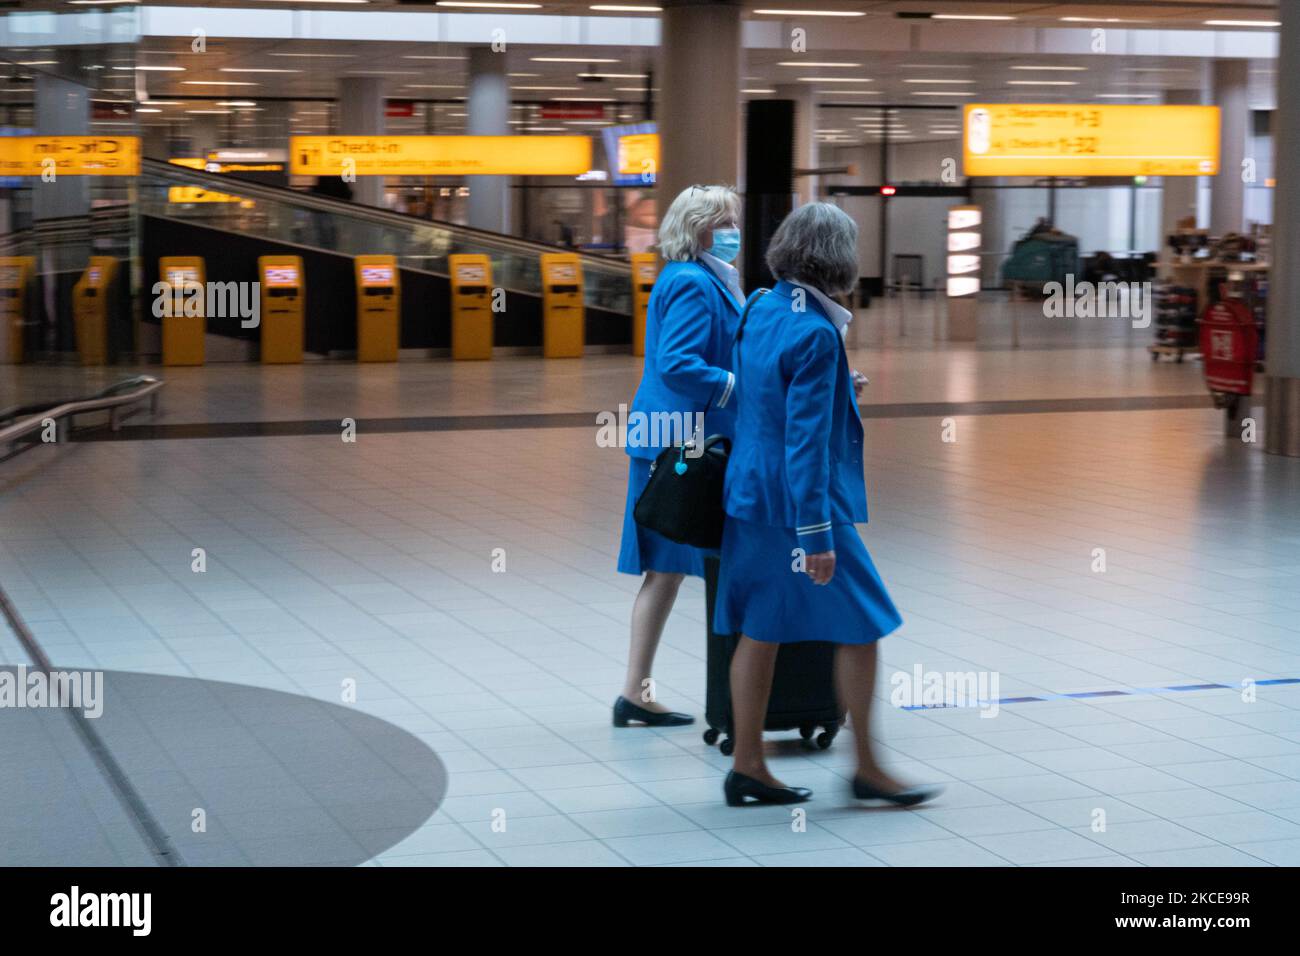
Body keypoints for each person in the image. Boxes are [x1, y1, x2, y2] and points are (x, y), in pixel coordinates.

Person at [714, 202, 941, 807]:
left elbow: (763, 390)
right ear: (841, 260)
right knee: (863, 624)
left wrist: (840, 382)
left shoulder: (762, 306)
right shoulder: (817, 332)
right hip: (798, 507)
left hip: (749, 493)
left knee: (759, 631)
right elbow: (806, 442)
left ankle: (748, 766)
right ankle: (867, 767)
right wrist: (816, 534)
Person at [614, 184, 745, 728]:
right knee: (666, 570)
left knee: (668, 572)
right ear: (699, 227)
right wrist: (739, 386)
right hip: (680, 442)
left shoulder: (705, 277)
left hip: (680, 437)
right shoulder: (693, 282)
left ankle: (637, 693)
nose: (736, 230)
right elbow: (678, 364)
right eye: (726, 221)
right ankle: (636, 693)